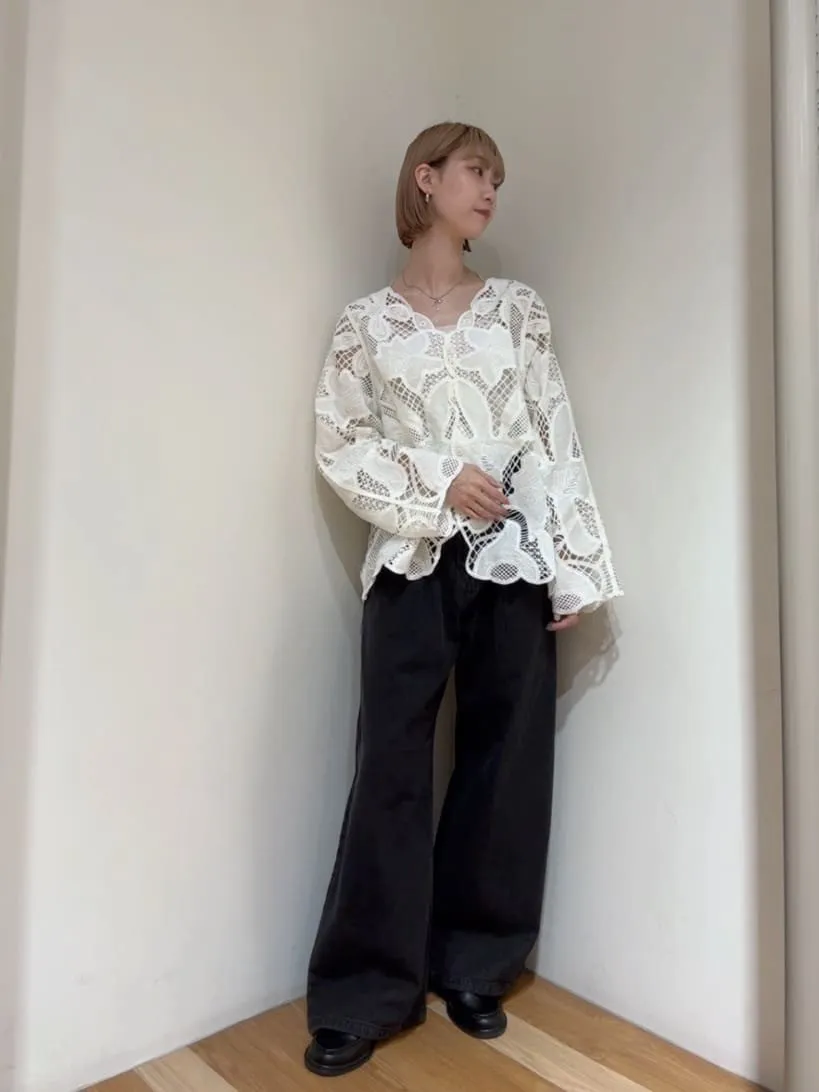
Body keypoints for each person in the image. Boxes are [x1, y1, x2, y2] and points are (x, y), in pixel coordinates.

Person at [304, 121, 622, 1078]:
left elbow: (552, 433)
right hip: (409, 558)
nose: (490, 191)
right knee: (390, 767)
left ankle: (476, 963)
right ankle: (364, 992)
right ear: (426, 178)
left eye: (496, 179)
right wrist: (440, 480)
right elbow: (341, 443)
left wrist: (571, 563)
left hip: (512, 555)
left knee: (505, 758)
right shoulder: (364, 324)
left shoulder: (518, 310)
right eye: (477, 171)